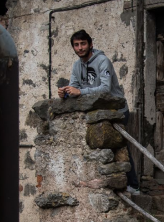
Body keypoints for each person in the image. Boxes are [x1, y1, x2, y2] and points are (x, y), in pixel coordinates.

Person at [58, 29, 140, 194]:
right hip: (97, 112)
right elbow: (75, 87)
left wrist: (80, 92)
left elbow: (105, 89)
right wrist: (65, 93)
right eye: (76, 45)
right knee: (101, 149)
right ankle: (110, 185)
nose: (80, 48)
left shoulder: (102, 61)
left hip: (117, 110)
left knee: (119, 146)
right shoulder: (76, 65)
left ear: (90, 44)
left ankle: (134, 185)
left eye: (83, 44)